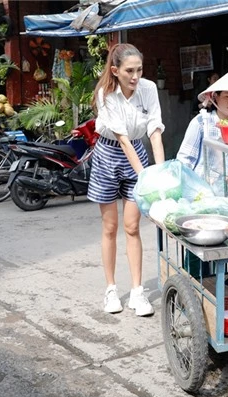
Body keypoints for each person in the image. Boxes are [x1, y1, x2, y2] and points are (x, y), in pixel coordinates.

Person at [88, 43, 165, 316]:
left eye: (139, 69)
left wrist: (160, 173)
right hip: (109, 154)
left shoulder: (149, 89)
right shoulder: (105, 94)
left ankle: (137, 291)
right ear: (115, 70)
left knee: (132, 227)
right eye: (129, 71)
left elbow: (154, 131)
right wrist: (146, 177)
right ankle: (110, 289)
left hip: (138, 151)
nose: (135, 76)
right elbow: (121, 139)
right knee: (110, 227)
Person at [176, 71, 228, 180]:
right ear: (216, 97)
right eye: (227, 96)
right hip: (201, 190)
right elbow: (184, 160)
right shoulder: (201, 122)